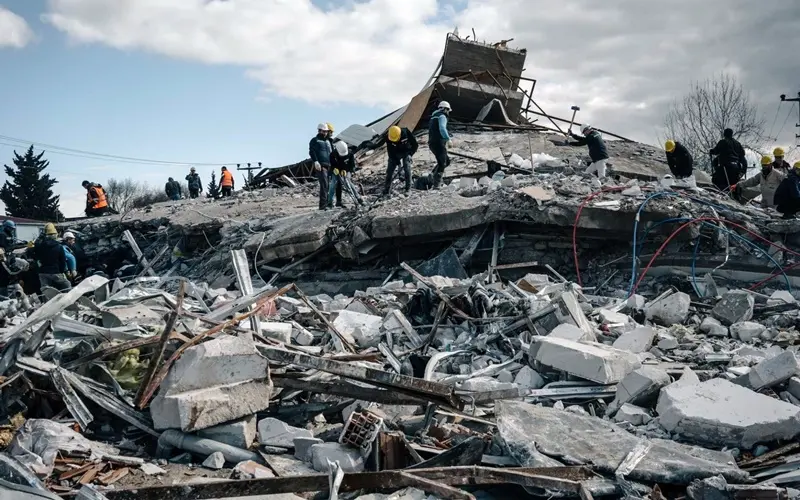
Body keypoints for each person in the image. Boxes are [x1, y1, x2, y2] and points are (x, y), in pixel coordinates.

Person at [34, 223, 71, 292]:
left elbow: (35, 253)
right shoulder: (59, 246)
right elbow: (63, 261)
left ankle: (45, 301)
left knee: (45, 290)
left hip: (43, 273)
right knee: (67, 285)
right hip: (55, 272)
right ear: (55, 235)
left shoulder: (40, 246)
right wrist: (62, 272)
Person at [384, 125, 418, 195]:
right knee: (389, 171)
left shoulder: (405, 132)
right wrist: (398, 163)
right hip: (395, 153)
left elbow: (415, 145)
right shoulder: (388, 137)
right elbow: (390, 152)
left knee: (407, 167)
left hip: (406, 152)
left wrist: (410, 154)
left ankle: (408, 189)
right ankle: (386, 189)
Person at [328, 140, 363, 208]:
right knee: (333, 184)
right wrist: (334, 169)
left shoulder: (350, 153)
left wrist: (346, 170)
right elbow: (332, 165)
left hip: (346, 171)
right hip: (336, 171)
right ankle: (329, 203)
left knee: (348, 183)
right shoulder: (332, 155)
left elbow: (352, 166)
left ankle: (359, 199)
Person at [429, 101, 452, 188]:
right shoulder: (442, 116)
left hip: (432, 143)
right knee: (443, 163)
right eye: (448, 110)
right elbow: (442, 128)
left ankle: (431, 175)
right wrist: (448, 139)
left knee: (447, 161)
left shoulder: (433, 117)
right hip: (438, 143)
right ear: (445, 109)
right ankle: (436, 185)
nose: (448, 112)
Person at [309, 123, 333, 210]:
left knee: (330, 185)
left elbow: (332, 153)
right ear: (319, 130)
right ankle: (323, 205)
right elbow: (312, 151)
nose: (325, 133)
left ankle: (330, 203)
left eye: (326, 131)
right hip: (321, 166)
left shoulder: (329, 141)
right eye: (323, 131)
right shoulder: (315, 140)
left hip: (330, 165)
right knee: (324, 184)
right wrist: (316, 161)